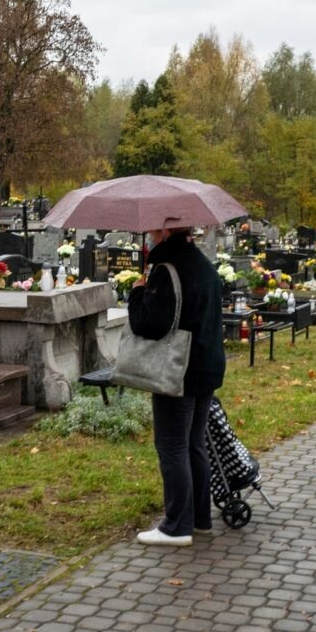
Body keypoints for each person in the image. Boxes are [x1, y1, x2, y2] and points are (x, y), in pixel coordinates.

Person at [127, 222, 227, 547]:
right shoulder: (202, 263)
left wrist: (138, 293)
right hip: (205, 367)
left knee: (172, 446)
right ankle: (200, 519)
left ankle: (176, 526)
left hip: (177, 371)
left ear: (165, 232)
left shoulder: (167, 269)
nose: (153, 234)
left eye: (156, 230)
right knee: (194, 443)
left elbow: (150, 325)